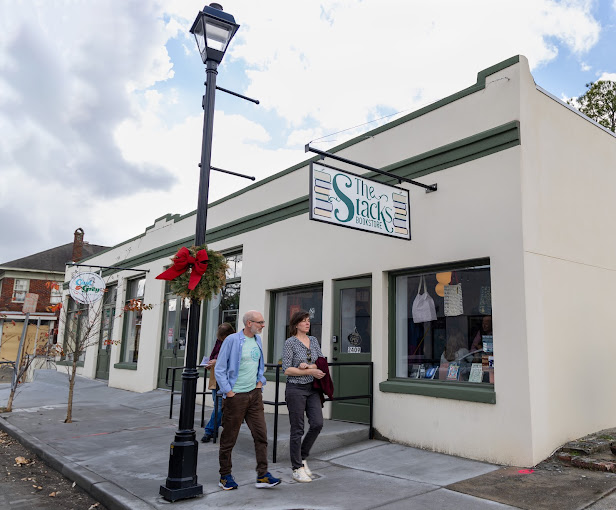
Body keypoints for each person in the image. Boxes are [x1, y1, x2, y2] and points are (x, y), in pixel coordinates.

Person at [214, 310, 281, 491]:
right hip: (236, 397)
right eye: (260, 322)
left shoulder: (257, 340)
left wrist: (260, 381)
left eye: (263, 322)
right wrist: (228, 392)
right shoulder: (232, 340)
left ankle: (263, 475)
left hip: (254, 395)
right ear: (249, 323)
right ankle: (225, 476)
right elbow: (219, 368)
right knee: (229, 438)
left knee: (261, 435)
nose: (263, 325)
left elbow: (259, 364)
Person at [282, 310, 325, 483]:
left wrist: (309, 367)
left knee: (317, 423)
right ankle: (296, 467)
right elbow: (286, 369)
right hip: (295, 389)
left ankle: (303, 456)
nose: (307, 323)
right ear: (296, 324)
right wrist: (304, 369)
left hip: (312, 388)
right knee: (297, 428)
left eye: (308, 321)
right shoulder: (290, 343)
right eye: (304, 321)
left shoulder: (313, 340)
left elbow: (320, 361)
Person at [201, 322, 235, 443]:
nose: (221, 340)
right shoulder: (219, 342)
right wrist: (210, 363)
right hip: (216, 376)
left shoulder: (234, 342)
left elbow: (233, 360)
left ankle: (209, 431)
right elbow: (214, 354)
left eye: (222, 337)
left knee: (219, 407)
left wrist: (217, 362)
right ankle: (215, 429)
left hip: (225, 378)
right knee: (218, 405)